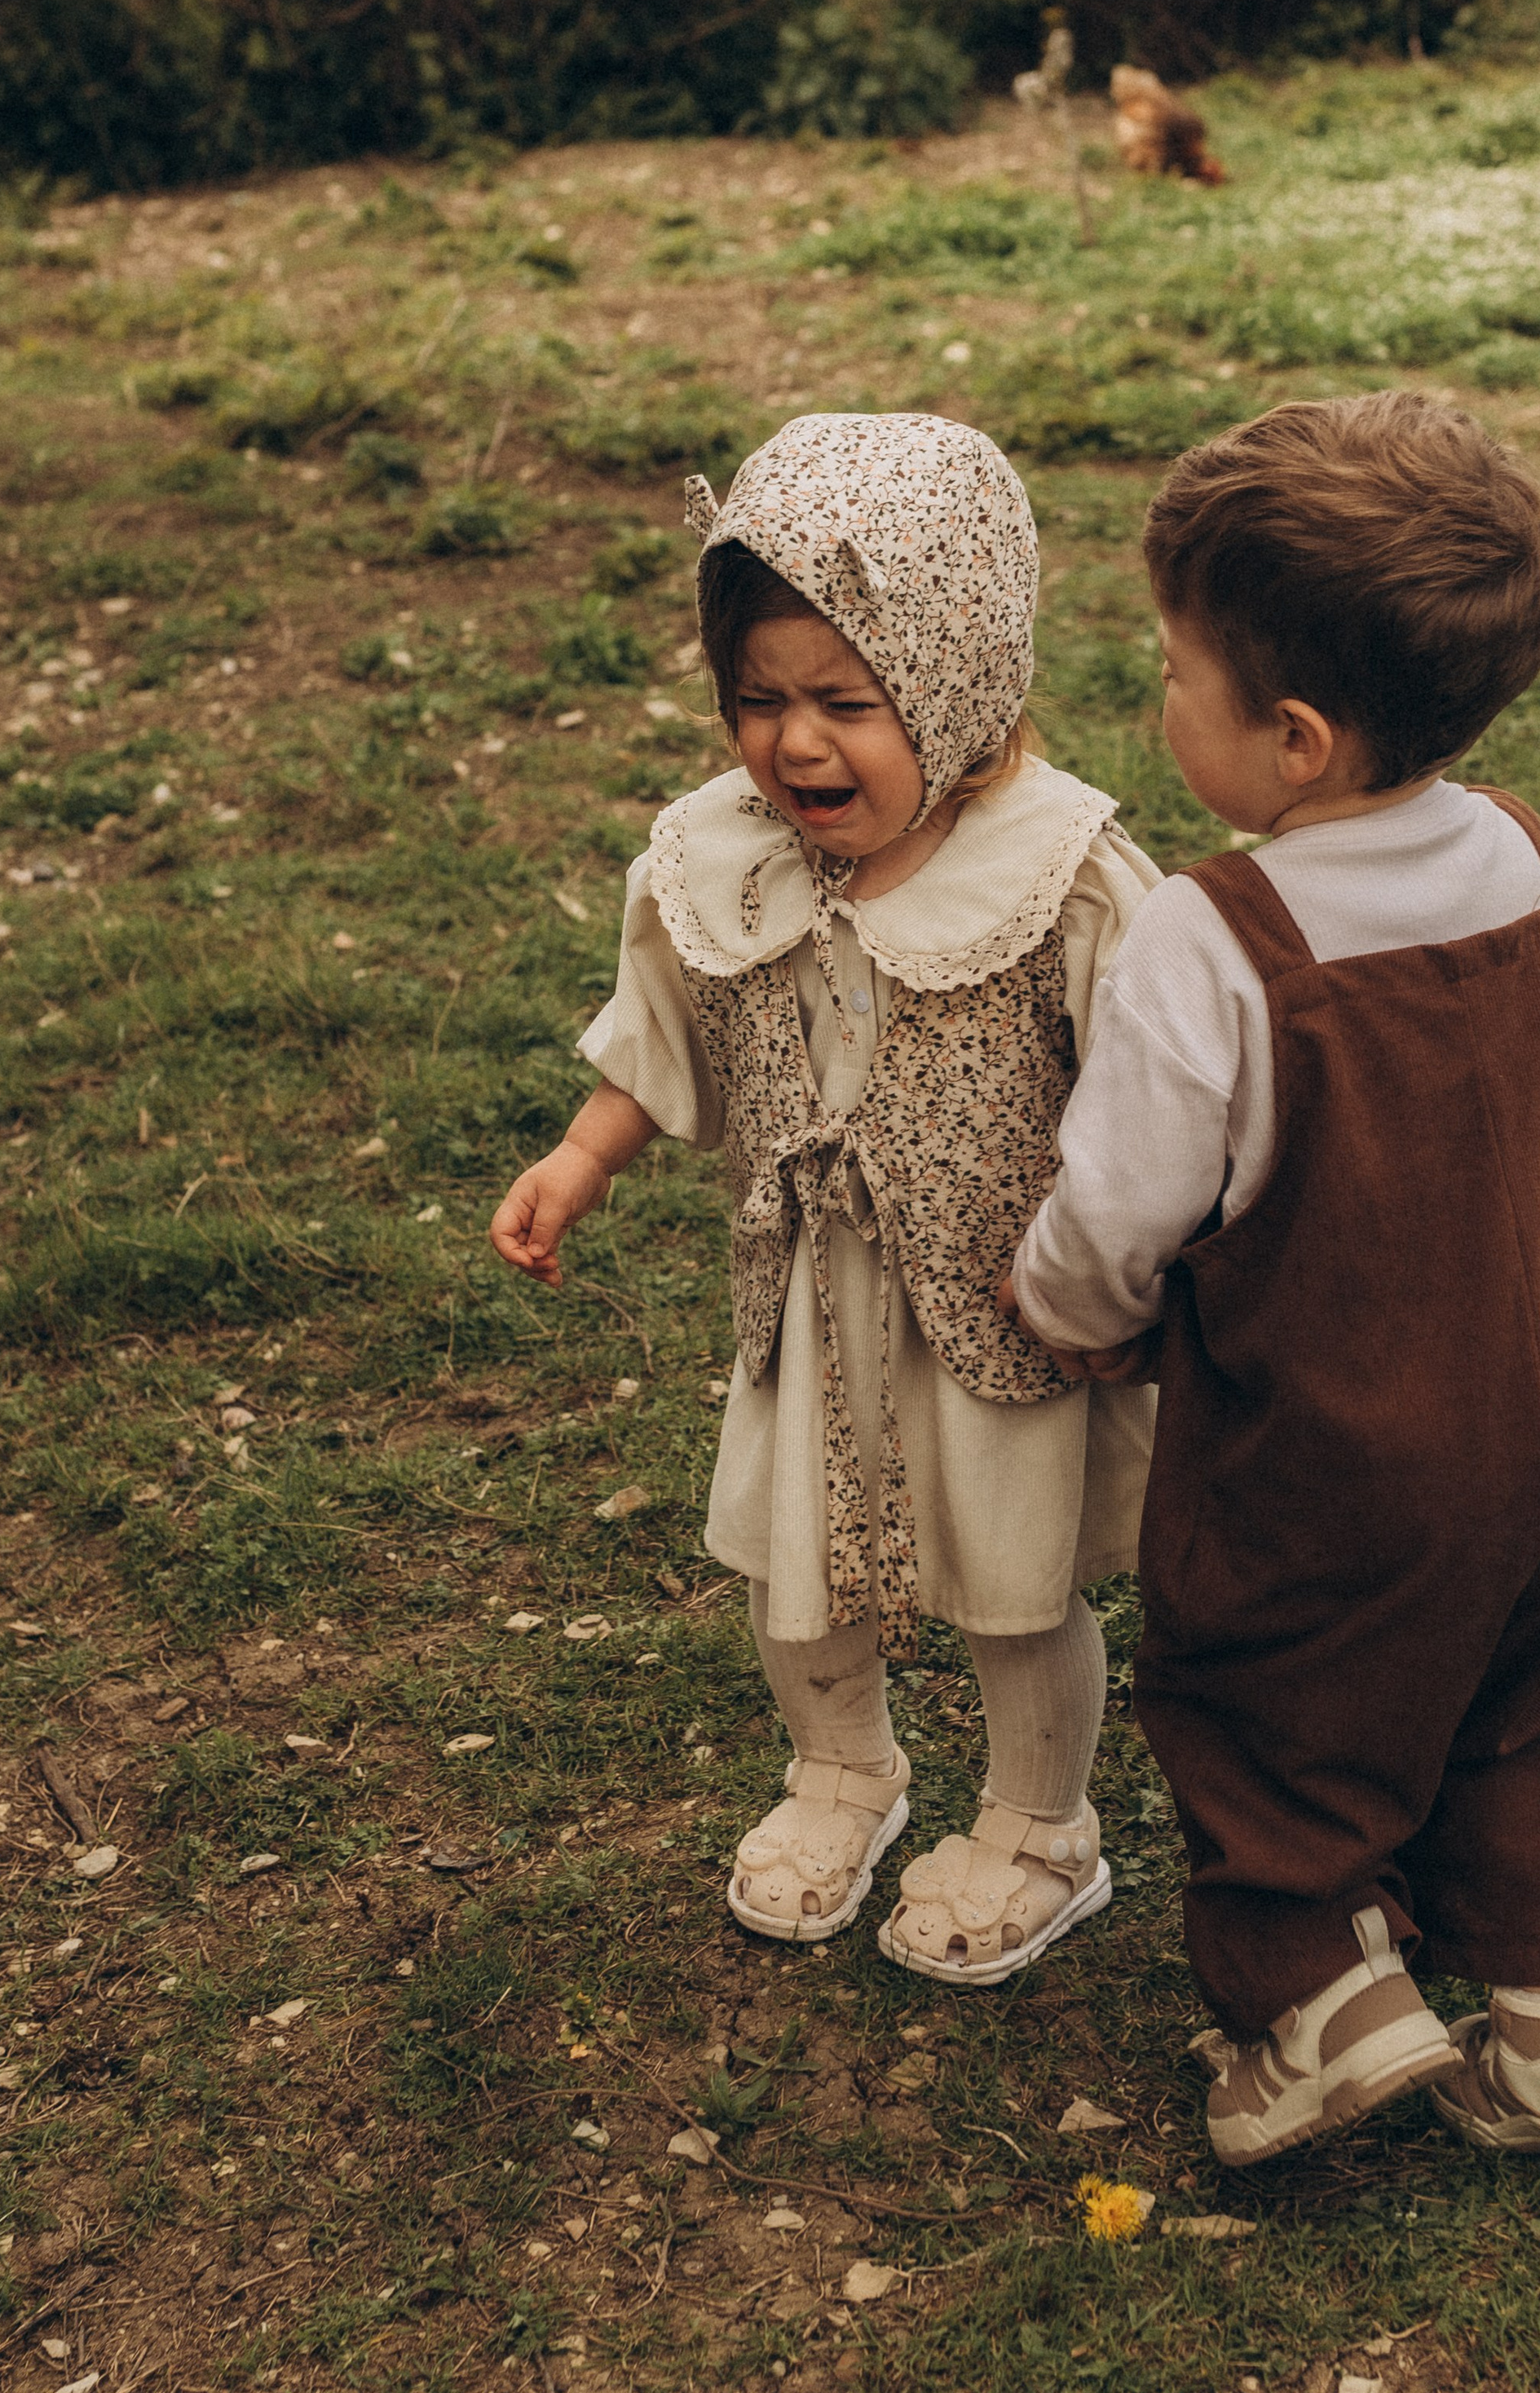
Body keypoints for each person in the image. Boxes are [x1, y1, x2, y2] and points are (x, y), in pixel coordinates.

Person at [1006, 390, 1540, 2174]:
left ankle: (1311, 1995)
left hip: (1331, 1453)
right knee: (1512, 1696)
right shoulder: (1521, 863)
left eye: (1172, 671)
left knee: (1272, 1715)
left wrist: (1064, 1312)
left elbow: (1120, 1205)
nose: (1155, 700)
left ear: (1294, 737)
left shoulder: (1217, 938)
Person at [491, 413, 1159, 1984]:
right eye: (759, 700)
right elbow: (669, 1021)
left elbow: (1160, 1077)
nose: (795, 746)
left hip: (1004, 1306)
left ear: (957, 678)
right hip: (811, 1295)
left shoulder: (1060, 870)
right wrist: (585, 1154)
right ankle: (843, 1768)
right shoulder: (723, 859)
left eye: (846, 703)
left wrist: (1143, 1262)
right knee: (789, 1568)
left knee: (1015, 1582)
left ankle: (1042, 1826)